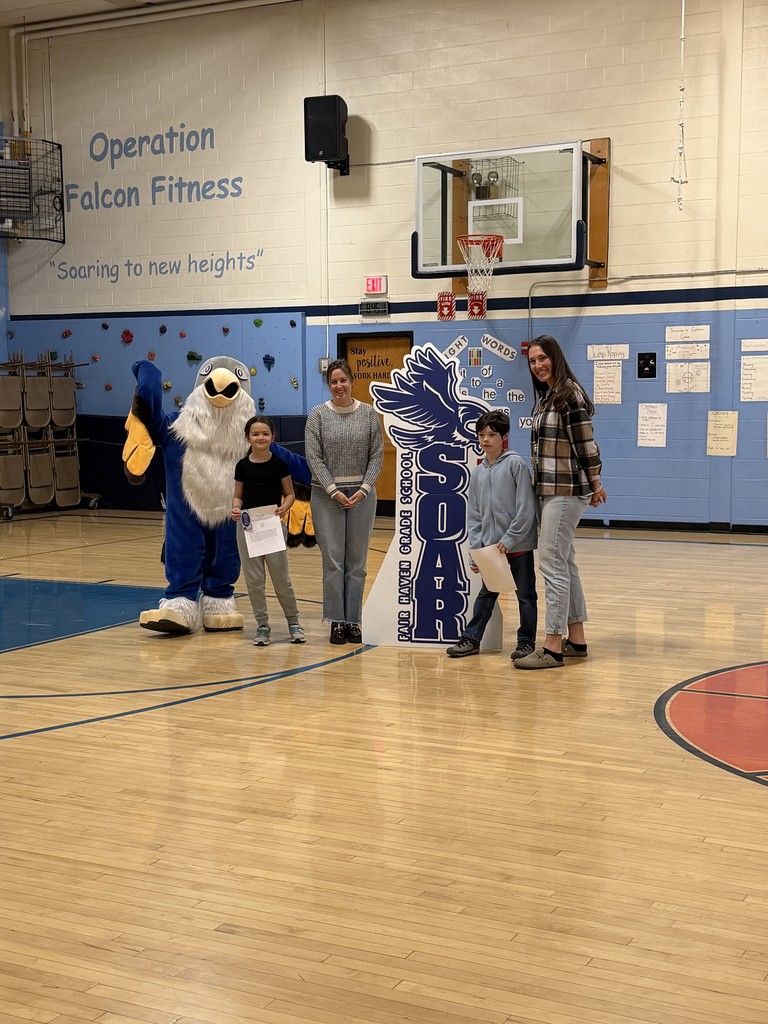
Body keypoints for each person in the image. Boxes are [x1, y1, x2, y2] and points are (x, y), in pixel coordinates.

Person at [514, 335, 607, 671]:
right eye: (533, 361)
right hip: (551, 491)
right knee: (565, 563)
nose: (538, 365)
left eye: (543, 358)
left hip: (565, 491)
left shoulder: (568, 396)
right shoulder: (548, 396)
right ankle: (576, 639)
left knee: (551, 563)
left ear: (555, 357)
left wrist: (595, 482)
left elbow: (586, 445)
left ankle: (552, 646)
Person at [446, 409, 538, 661]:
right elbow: (474, 516)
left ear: (504, 436)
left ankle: (526, 642)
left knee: (526, 596)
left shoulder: (516, 464)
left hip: (517, 546)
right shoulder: (477, 472)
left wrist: (508, 540)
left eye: (492, 434)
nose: (485, 439)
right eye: (481, 435)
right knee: (486, 595)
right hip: (491, 551)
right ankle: (471, 638)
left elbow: (526, 509)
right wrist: (478, 552)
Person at [305, 358, 384, 644]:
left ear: (352, 382)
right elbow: (314, 457)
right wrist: (333, 490)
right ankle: (336, 621)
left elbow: (377, 455)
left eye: (343, 380)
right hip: (327, 497)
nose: (339, 386)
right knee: (334, 563)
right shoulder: (317, 416)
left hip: (362, 495)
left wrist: (363, 489)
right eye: (333, 382)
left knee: (357, 563)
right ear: (329, 385)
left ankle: (354, 621)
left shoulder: (369, 414)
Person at [231, 415, 306, 646]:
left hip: (273, 528)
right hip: (247, 528)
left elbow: (290, 493)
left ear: (273, 437)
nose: (260, 437)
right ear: (248, 437)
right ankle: (262, 626)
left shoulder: (280, 464)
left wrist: (286, 506)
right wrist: (235, 508)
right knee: (254, 580)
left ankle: (294, 623)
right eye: (255, 434)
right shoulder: (242, 466)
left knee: (281, 578)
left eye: (265, 433)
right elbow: (237, 496)